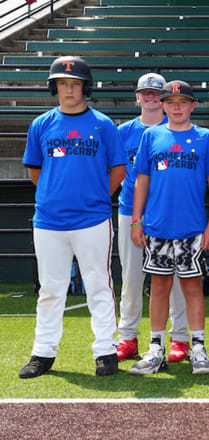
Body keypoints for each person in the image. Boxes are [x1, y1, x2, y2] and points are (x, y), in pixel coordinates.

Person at [18, 56, 126, 379]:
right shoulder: (41, 124)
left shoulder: (103, 125)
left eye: (74, 83)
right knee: (50, 288)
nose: (68, 89)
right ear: (55, 88)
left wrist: (93, 197)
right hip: (49, 221)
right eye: (62, 84)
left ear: (85, 87)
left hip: (92, 220)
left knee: (99, 284)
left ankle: (106, 350)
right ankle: (43, 352)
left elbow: (119, 169)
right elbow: (35, 171)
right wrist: (58, 195)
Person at [129, 80, 209, 376]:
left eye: (183, 102)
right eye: (171, 102)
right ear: (163, 104)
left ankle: (198, 347)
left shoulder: (205, 137)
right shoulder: (151, 136)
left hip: (192, 228)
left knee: (193, 287)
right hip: (156, 227)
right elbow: (142, 180)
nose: (177, 107)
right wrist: (136, 220)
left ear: (193, 105)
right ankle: (156, 348)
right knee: (158, 287)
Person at [114, 73, 189, 364]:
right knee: (132, 279)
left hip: (167, 213)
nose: (150, 97)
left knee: (176, 280)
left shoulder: (176, 129)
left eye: (156, 93)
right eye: (145, 92)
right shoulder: (123, 132)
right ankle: (128, 338)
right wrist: (135, 217)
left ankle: (179, 338)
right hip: (129, 211)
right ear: (137, 97)